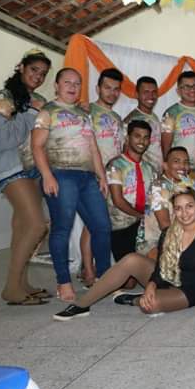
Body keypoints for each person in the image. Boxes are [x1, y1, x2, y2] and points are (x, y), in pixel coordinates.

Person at [53, 188, 195, 320]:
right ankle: (82, 304)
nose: (184, 213)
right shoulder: (169, 232)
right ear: (174, 211)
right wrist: (152, 285)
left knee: (149, 307)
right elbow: (160, 268)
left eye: (189, 206)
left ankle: (134, 299)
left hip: (186, 292)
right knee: (131, 259)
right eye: (178, 208)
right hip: (165, 279)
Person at [32, 68, 111, 303]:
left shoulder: (84, 115)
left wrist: (102, 176)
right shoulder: (47, 112)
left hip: (87, 177)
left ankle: (105, 279)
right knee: (62, 228)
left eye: (77, 83)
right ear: (56, 86)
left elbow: (93, 148)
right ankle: (63, 282)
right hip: (61, 174)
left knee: (102, 226)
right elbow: (37, 146)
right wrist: (47, 175)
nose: (73, 87)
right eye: (67, 82)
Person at [0, 48, 52, 305]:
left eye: (43, 73)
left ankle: (21, 284)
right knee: (38, 226)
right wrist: (30, 113)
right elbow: (1, 140)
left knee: (22, 228)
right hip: (11, 168)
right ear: (21, 67)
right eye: (34, 70)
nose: (38, 76)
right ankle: (11, 288)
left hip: (32, 170)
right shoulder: (5, 97)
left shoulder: (38, 99)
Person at [81, 68, 125, 287]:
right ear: (98, 88)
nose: (112, 93)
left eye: (116, 89)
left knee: (100, 224)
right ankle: (89, 272)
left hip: (112, 177)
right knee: (93, 225)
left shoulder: (117, 118)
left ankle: (96, 270)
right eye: (107, 88)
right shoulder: (87, 111)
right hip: (92, 176)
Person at [106, 120, 156, 266]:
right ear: (128, 138)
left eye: (146, 137)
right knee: (130, 273)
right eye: (137, 136)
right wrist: (142, 217)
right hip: (121, 227)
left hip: (144, 227)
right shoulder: (115, 165)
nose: (142, 141)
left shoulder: (150, 169)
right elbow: (118, 201)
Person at [161, 71, 195, 195]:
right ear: (178, 91)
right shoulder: (171, 113)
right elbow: (165, 147)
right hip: (178, 173)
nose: (192, 90)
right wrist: (168, 172)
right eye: (187, 86)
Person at [144, 147, 195, 249]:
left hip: (187, 235)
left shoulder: (191, 183)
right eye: (176, 161)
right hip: (156, 241)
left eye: (186, 162)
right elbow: (164, 225)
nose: (182, 166)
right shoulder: (158, 187)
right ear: (165, 166)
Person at [124, 76, 162, 174]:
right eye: (146, 92)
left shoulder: (154, 116)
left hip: (155, 172)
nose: (151, 96)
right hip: (141, 173)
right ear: (137, 94)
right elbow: (126, 151)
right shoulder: (131, 120)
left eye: (154, 92)